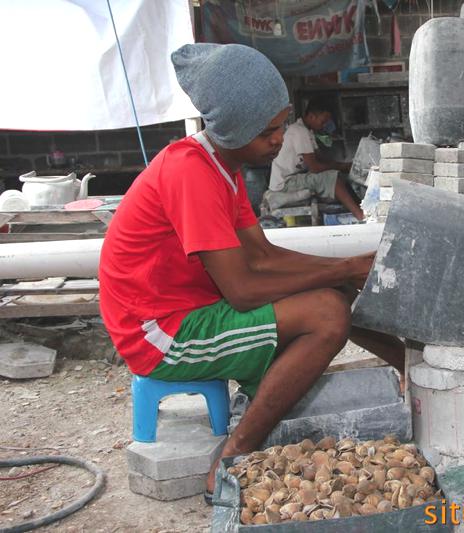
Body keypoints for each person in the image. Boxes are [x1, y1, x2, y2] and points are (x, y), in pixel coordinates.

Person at [98, 43, 404, 500]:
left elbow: (262, 255)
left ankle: (407, 366)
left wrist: (347, 270)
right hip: (159, 332)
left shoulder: (225, 166)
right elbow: (242, 288)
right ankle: (233, 455)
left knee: (335, 289)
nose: (278, 140)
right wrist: (342, 267)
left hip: (191, 308)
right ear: (229, 128)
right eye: (267, 131)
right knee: (327, 314)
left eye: (281, 125)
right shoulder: (191, 172)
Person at [267, 96, 365, 220]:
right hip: (285, 183)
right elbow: (315, 167)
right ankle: (360, 215)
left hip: (293, 178)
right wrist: (341, 166)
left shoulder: (308, 131)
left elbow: (321, 158)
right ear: (312, 116)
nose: (324, 125)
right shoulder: (299, 131)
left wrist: (343, 166)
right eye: (323, 121)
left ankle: (362, 207)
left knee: (337, 175)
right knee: (332, 178)